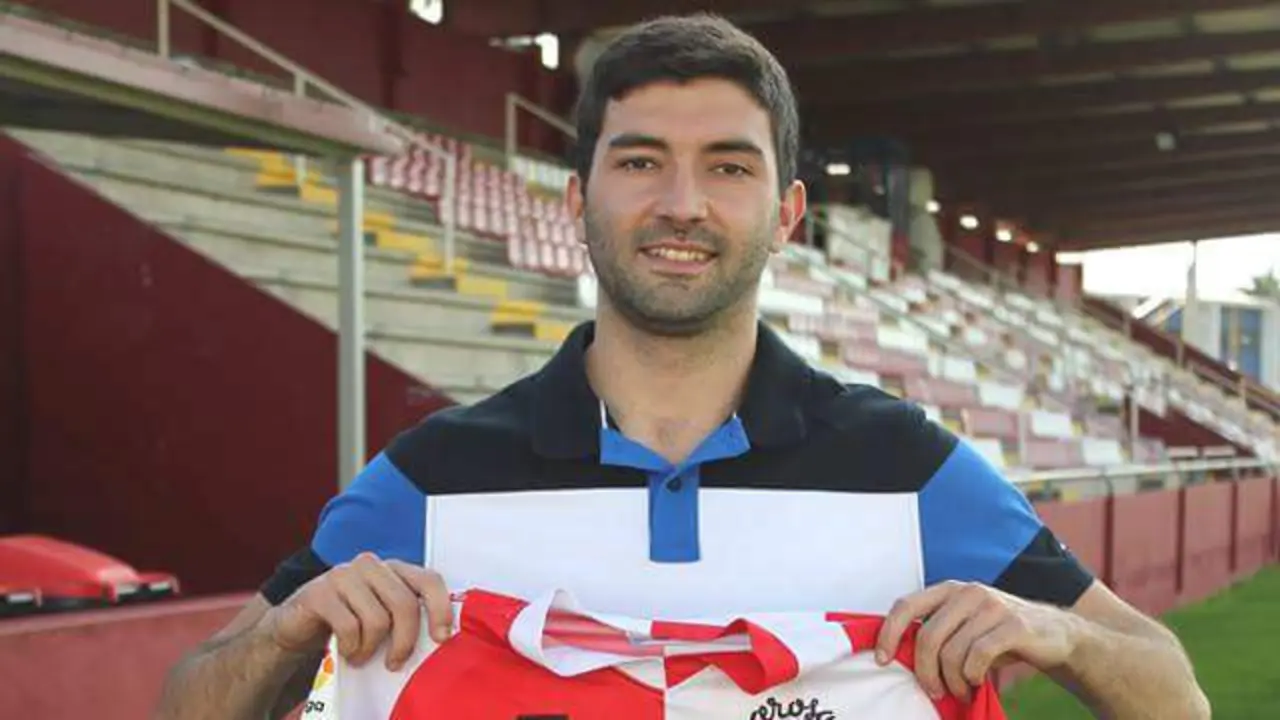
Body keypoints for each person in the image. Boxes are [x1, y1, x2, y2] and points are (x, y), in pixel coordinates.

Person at [156, 14, 1209, 720]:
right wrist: (295, 632)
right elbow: (188, 703)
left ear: (786, 214)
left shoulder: (907, 469)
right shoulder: (433, 477)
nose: (680, 204)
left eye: (728, 167)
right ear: (575, 200)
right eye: (640, 160)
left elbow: (1173, 692)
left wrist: (1051, 632)